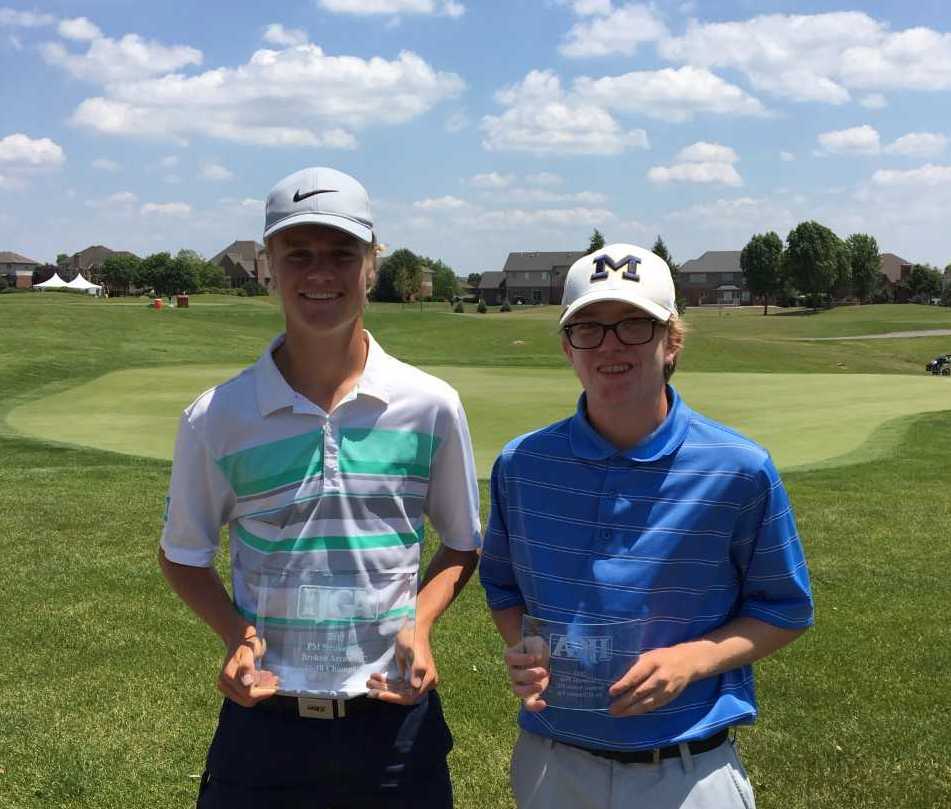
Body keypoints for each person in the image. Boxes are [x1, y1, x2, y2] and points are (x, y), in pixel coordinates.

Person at [159, 166, 481, 808]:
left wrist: (420, 622)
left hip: (395, 721)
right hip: (265, 724)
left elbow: (462, 544)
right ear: (268, 266)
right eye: (298, 253)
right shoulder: (216, 417)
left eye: (342, 253)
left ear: (372, 265)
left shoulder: (431, 405)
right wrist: (236, 635)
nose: (320, 273)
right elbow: (183, 555)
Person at [479, 243, 814, 809]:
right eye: (589, 328)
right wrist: (526, 647)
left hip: (687, 768)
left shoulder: (739, 468)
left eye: (634, 325)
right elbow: (503, 587)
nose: (610, 345)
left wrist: (691, 661)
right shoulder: (522, 464)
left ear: (671, 340)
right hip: (553, 762)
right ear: (567, 347)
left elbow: (785, 609)